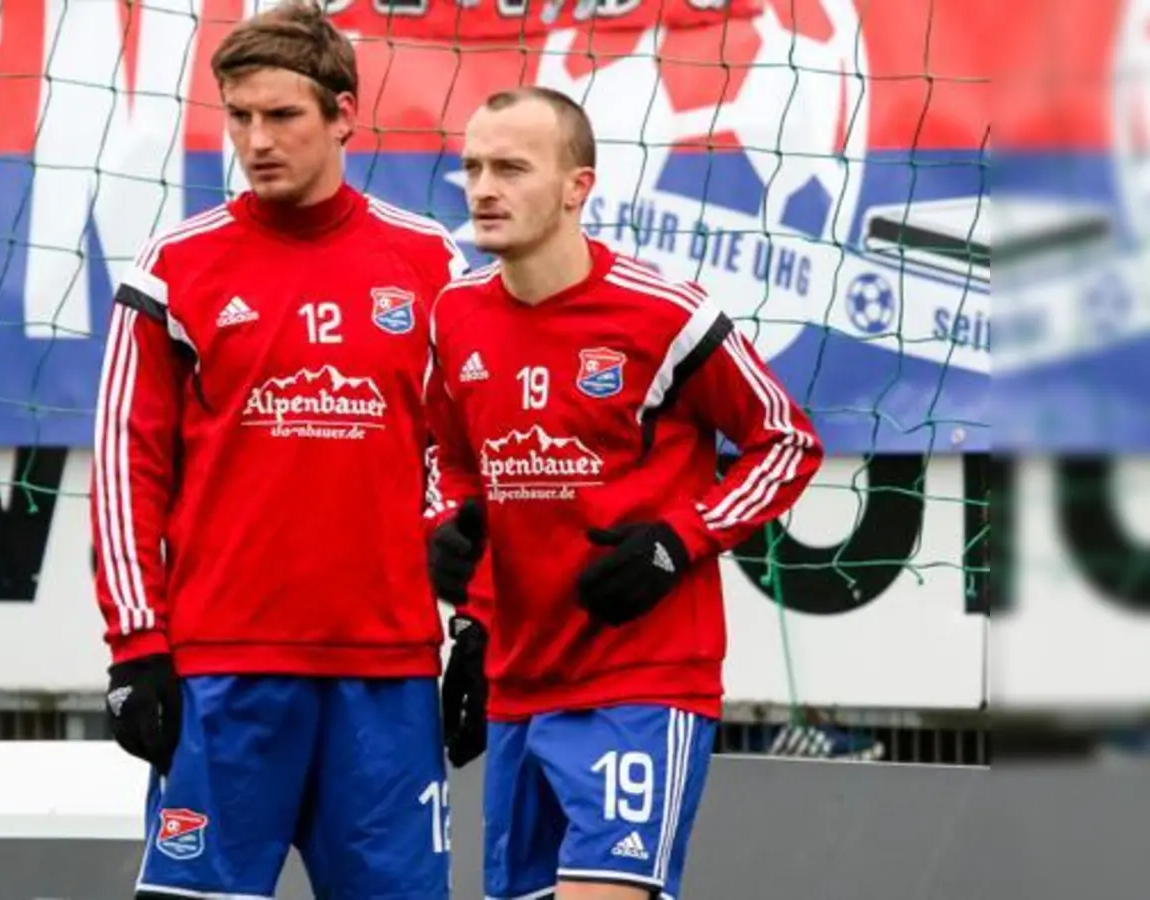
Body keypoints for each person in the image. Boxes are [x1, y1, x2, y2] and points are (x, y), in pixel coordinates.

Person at [88, 3, 474, 897]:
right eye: (240, 117)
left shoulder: (431, 265)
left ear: (343, 114)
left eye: (283, 116)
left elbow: (467, 461)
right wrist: (136, 645)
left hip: (386, 673)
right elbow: (124, 469)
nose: (257, 140)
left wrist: (481, 623)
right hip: (224, 670)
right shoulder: (173, 268)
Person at [424, 87, 825, 900]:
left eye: (511, 167)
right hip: (520, 680)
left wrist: (679, 540)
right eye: (471, 167)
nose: (483, 188)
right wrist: (460, 580)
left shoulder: (664, 314)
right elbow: (450, 461)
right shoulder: (455, 314)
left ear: (579, 186)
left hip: (642, 682)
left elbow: (786, 442)